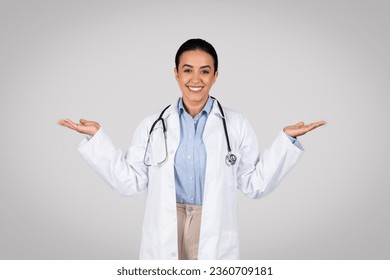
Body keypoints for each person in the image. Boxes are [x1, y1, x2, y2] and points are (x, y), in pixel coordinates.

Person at [58, 38, 325, 260]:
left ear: (215, 75)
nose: (195, 79)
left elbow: (254, 183)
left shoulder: (236, 125)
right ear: (175, 73)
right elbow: (131, 182)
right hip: (166, 224)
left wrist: (286, 141)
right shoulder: (152, 125)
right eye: (187, 70)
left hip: (211, 225)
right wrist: (97, 139)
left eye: (204, 71)